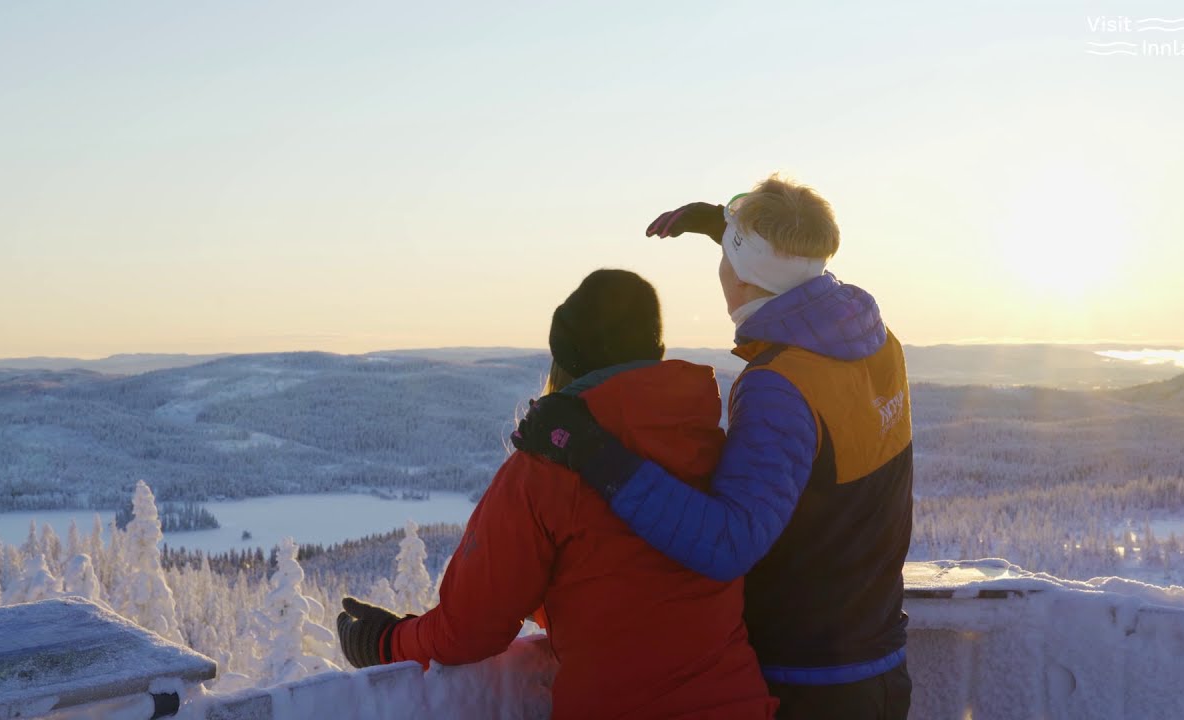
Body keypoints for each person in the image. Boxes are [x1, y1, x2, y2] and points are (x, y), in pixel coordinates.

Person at [512, 176, 913, 720]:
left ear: (743, 280)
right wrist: (724, 228)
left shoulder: (779, 386)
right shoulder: (873, 341)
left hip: (809, 686)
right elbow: (796, 269)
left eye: (729, 257)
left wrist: (589, 449)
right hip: (880, 664)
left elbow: (728, 542)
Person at [337, 269, 777, 720]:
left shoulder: (544, 469)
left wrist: (387, 640)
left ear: (565, 362)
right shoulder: (714, 445)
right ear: (655, 352)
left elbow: (468, 629)